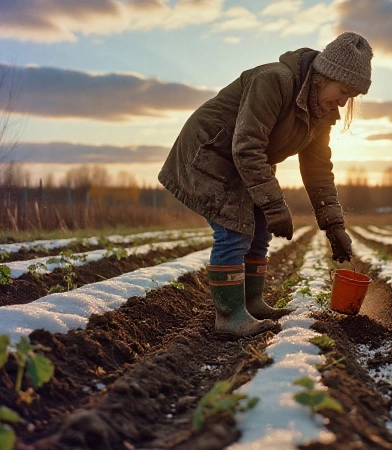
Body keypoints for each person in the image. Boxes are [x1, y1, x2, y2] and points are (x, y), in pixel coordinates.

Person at [159, 32, 373, 337]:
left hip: (245, 161)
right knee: (234, 230)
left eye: (351, 96)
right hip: (210, 152)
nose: (342, 101)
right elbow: (246, 146)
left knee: (259, 231)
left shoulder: (322, 113)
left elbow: (318, 172)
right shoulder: (274, 81)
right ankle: (230, 317)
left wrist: (334, 226)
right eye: (342, 90)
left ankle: (252, 303)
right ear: (323, 77)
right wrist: (275, 205)